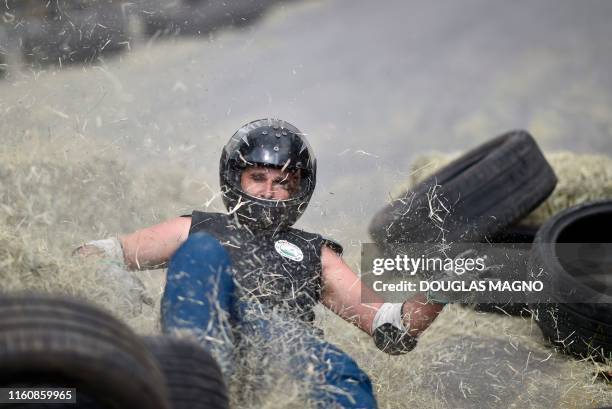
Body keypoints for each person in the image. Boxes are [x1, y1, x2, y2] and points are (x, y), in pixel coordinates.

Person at [77, 118, 444, 408]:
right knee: (202, 250)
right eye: (257, 178)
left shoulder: (314, 251)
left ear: (299, 189)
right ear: (235, 178)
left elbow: (393, 329)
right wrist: (108, 279)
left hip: (282, 346)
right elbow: (97, 252)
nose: (269, 191)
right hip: (207, 338)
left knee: (346, 376)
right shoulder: (197, 228)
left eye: (282, 182)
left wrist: (448, 283)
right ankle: (195, 384)